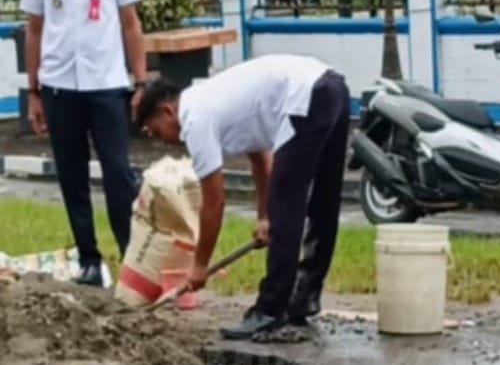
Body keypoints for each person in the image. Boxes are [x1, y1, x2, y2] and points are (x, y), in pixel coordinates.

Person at [137, 55, 351, 341]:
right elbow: (260, 159)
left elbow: (214, 202)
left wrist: (199, 265)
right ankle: (304, 298)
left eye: (156, 131)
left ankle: (271, 310)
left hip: (304, 97)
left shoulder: (195, 119)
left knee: (287, 202)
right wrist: (263, 217)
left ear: (167, 111)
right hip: (331, 86)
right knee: (323, 200)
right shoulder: (210, 99)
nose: (160, 140)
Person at [20, 0, 148, 287]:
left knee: (117, 174)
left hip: (106, 85)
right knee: (71, 177)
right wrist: (34, 91)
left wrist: (140, 81)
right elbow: (34, 29)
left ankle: (132, 260)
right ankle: (90, 262)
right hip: (59, 87)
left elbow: (131, 23)